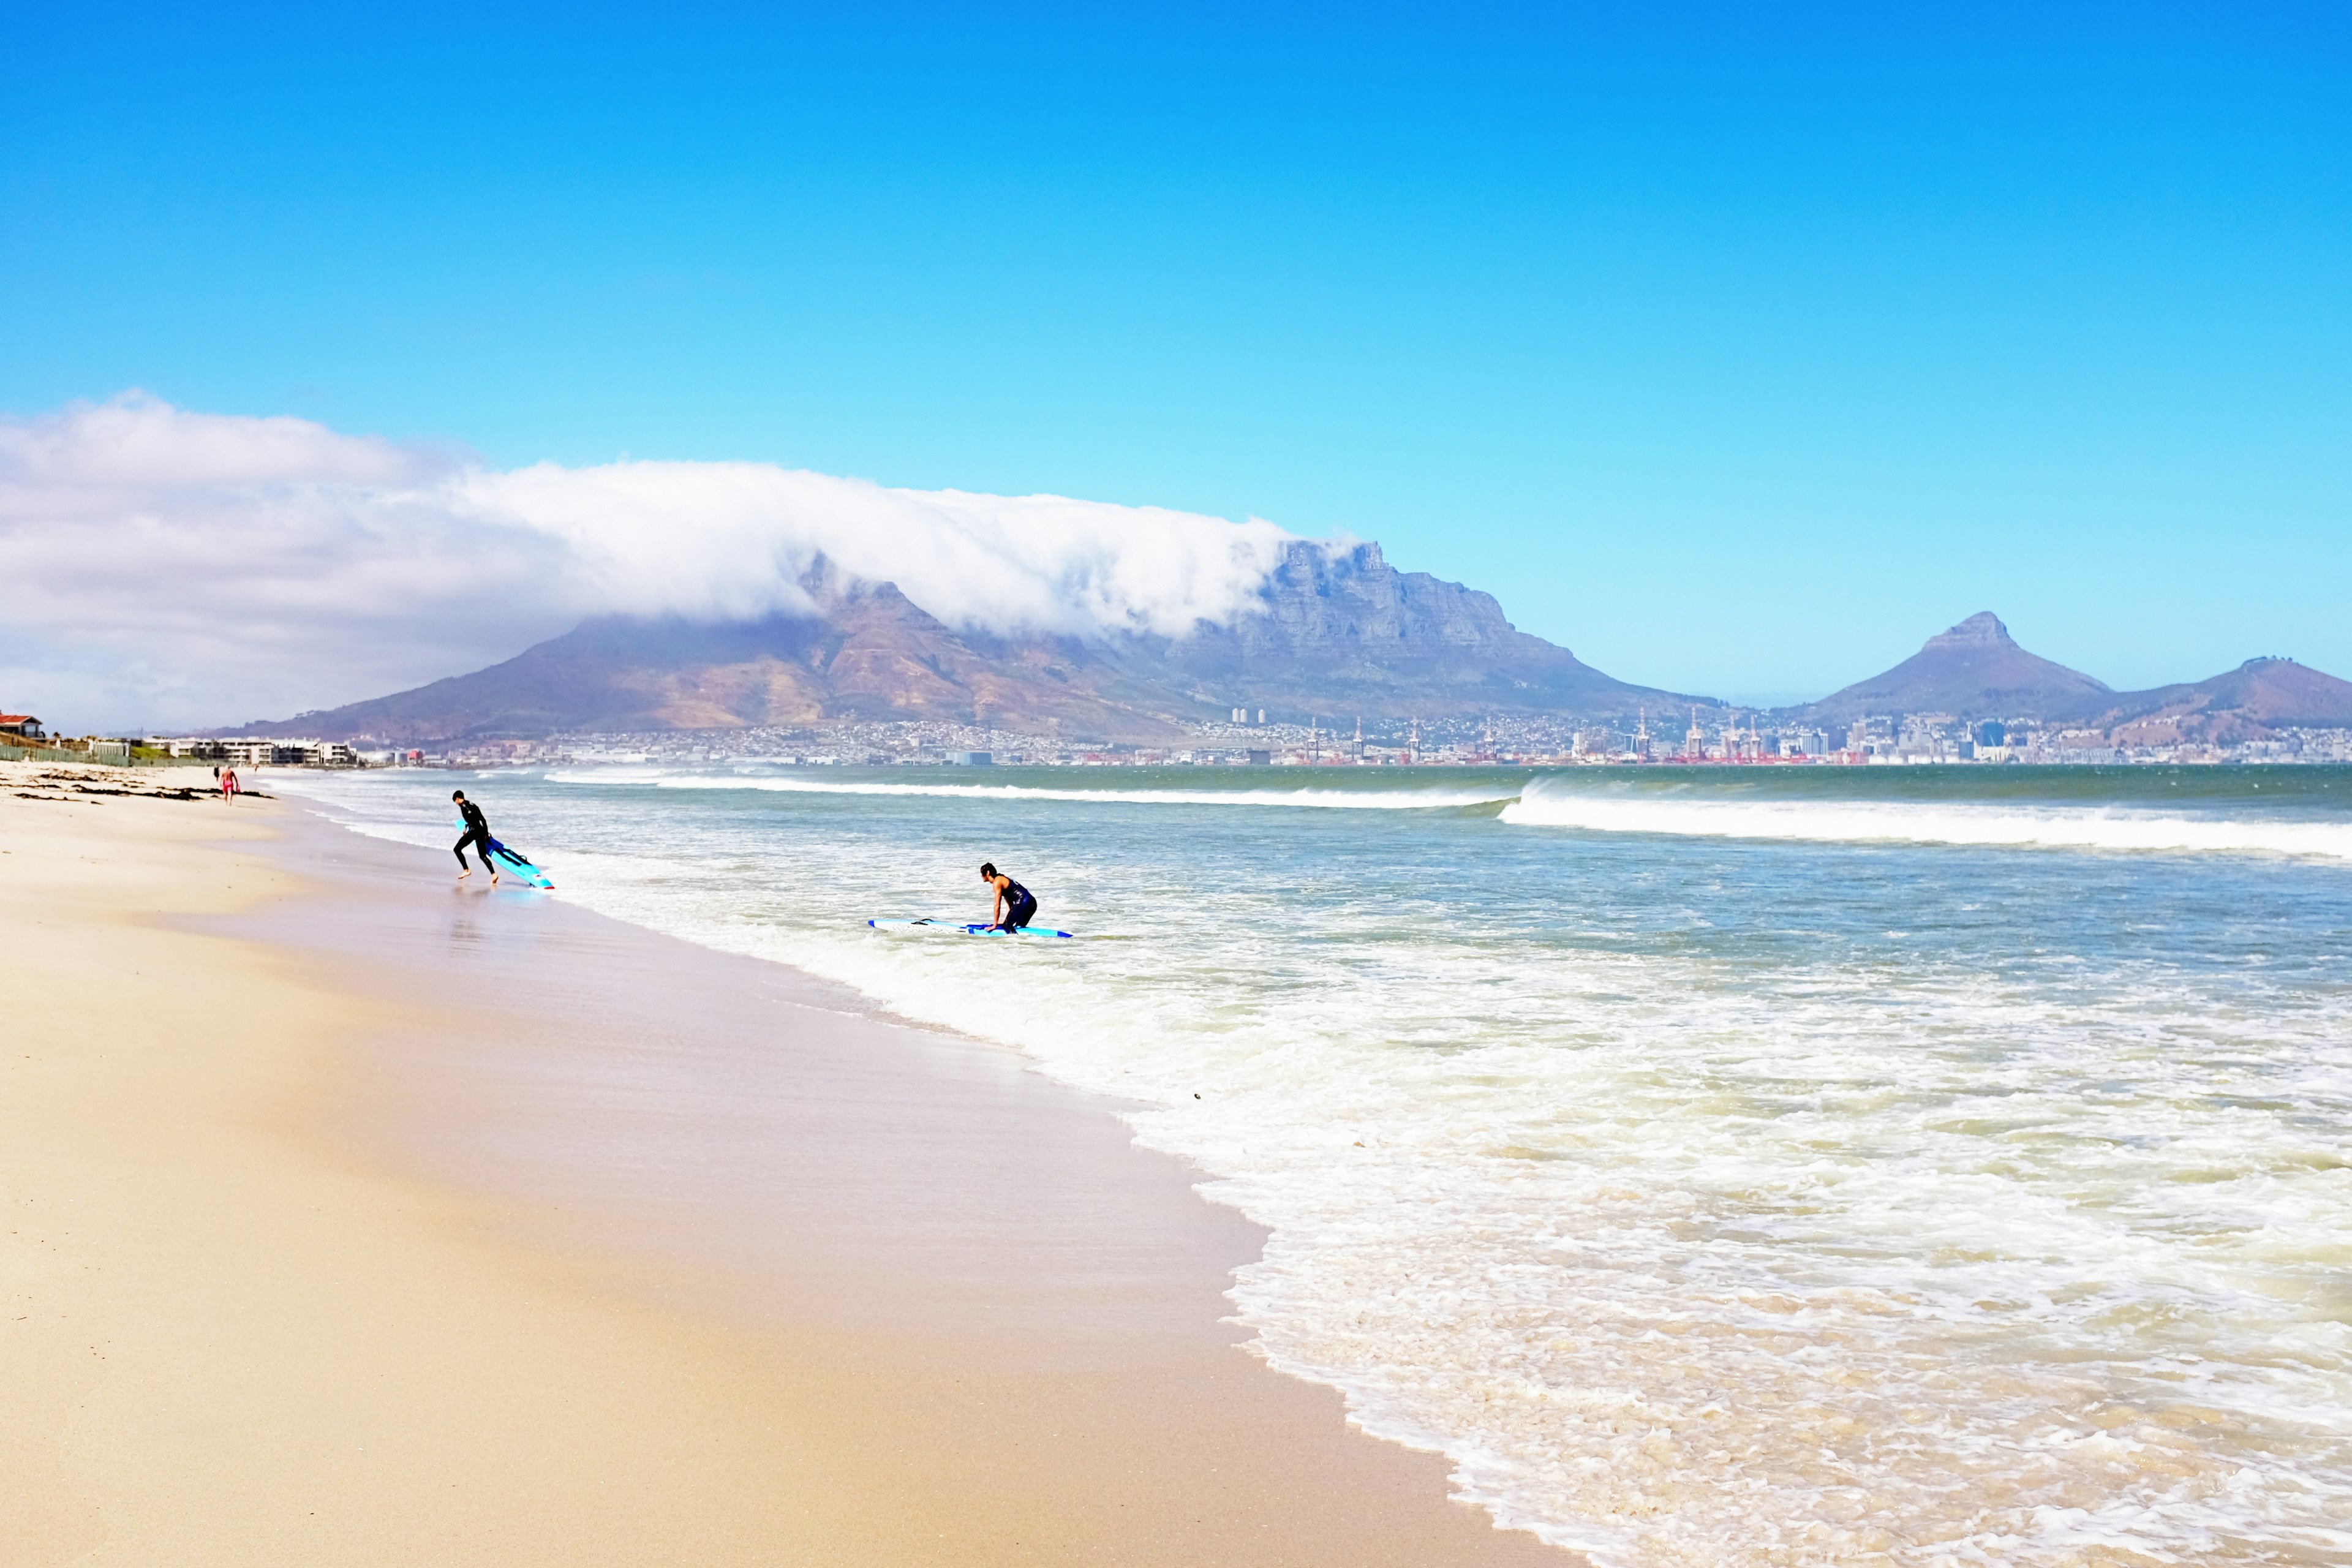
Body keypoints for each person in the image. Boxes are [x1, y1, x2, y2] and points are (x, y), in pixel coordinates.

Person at [453, 790, 499, 884]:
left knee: (457, 849)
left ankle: (467, 870)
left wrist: (470, 829)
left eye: (455, 801)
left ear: (457, 799)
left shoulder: (464, 807)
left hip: (474, 832)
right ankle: (494, 874)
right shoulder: (472, 805)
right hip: (481, 831)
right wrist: (485, 833)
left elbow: (472, 819)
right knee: (482, 856)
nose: (456, 804)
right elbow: (482, 820)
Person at [979, 861, 1036, 933]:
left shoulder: (997, 882)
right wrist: (1005, 920)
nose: (981, 876)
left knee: (1007, 925)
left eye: (982, 873)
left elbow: (997, 905)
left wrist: (995, 925)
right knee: (1019, 927)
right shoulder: (1002, 879)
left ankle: (1013, 941)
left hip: (1024, 901)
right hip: (1032, 902)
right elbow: (1010, 904)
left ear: (987, 873)